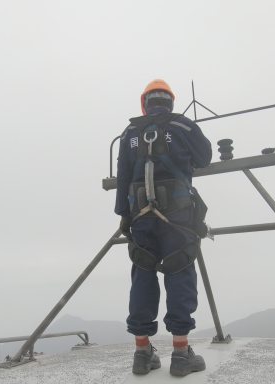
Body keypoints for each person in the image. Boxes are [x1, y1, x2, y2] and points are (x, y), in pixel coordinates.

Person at [114, 79, 212, 377]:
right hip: (178, 215)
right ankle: (181, 355)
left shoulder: (130, 132)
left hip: (140, 214)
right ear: (171, 102)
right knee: (179, 270)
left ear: (145, 103)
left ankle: (142, 354)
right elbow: (205, 158)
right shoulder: (183, 126)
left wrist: (124, 215)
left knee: (143, 272)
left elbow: (123, 176)